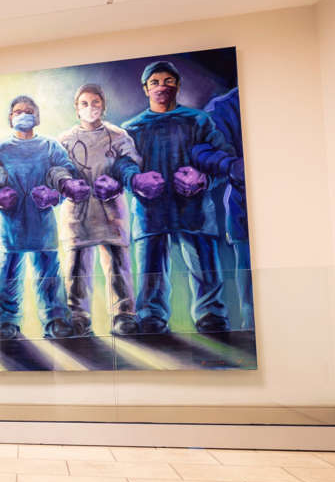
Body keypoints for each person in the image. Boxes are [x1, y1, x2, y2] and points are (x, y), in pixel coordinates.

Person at [121, 61, 243, 334]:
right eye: (155, 82)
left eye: (168, 81)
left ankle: (211, 314)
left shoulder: (199, 121)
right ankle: (150, 315)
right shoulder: (132, 129)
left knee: (205, 267)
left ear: (178, 85)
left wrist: (204, 179)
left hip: (195, 209)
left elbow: (224, 162)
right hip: (150, 211)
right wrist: (136, 181)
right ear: (145, 89)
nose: (162, 87)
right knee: (151, 270)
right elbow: (122, 166)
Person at [0, 95, 89, 340]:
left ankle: (55, 320)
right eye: (17, 111)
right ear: (10, 118)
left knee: (48, 275)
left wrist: (55, 196)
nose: (23, 114)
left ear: (37, 116)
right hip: (10, 225)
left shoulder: (50, 146)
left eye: (28, 110)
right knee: (7, 275)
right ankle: (6, 321)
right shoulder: (1, 150)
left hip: (42, 224)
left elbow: (69, 175)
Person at [57, 83, 142, 337]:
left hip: (110, 210)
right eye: (84, 104)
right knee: (77, 266)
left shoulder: (117, 136)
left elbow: (130, 163)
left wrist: (118, 181)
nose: (90, 108)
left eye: (95, 103)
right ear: (76, 109)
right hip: (78, 212)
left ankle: (123, 315)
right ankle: (78, 316)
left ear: (103, 106)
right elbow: (56, 170)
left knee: (118, 264)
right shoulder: (65, 140)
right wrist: (67, 183)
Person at [204, 87, 252, 329]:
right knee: (253, 305)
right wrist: (231, 164)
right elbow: (204, 151)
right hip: (244, 216)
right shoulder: (225, 107)